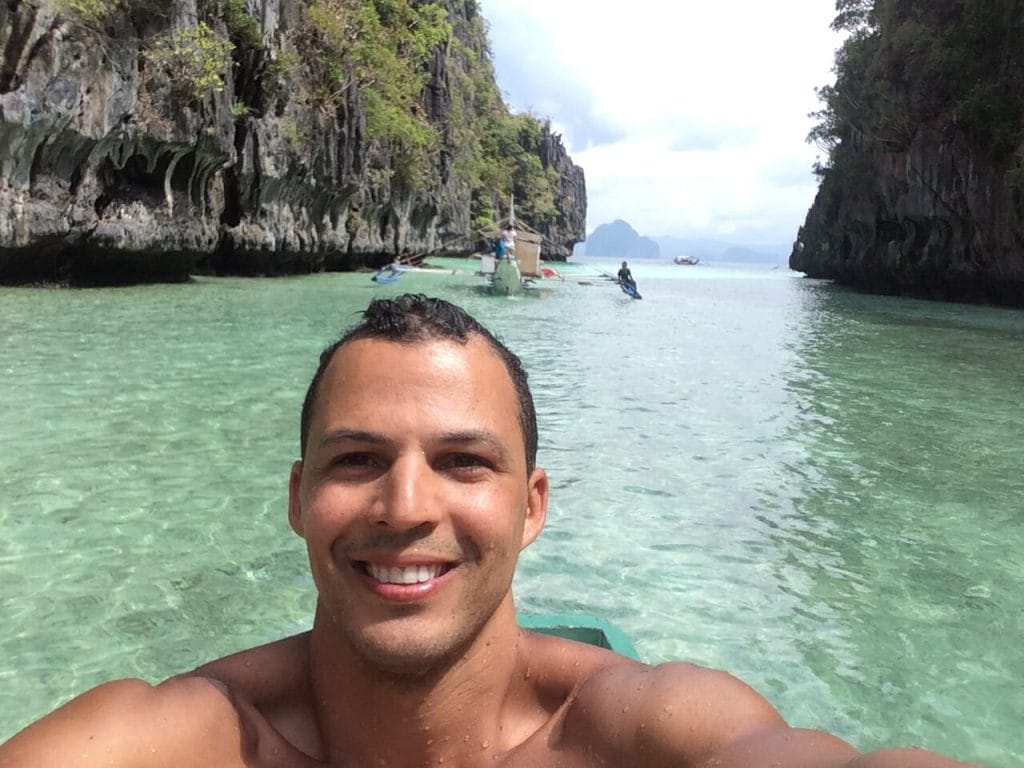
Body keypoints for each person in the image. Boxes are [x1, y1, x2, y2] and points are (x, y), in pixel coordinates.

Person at [0, 294, 979, 768]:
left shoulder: (636, 732)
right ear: (298, 499)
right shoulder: (198, 738)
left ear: (531, 506)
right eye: (355, 460)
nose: (405, 506)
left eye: (464, 462)